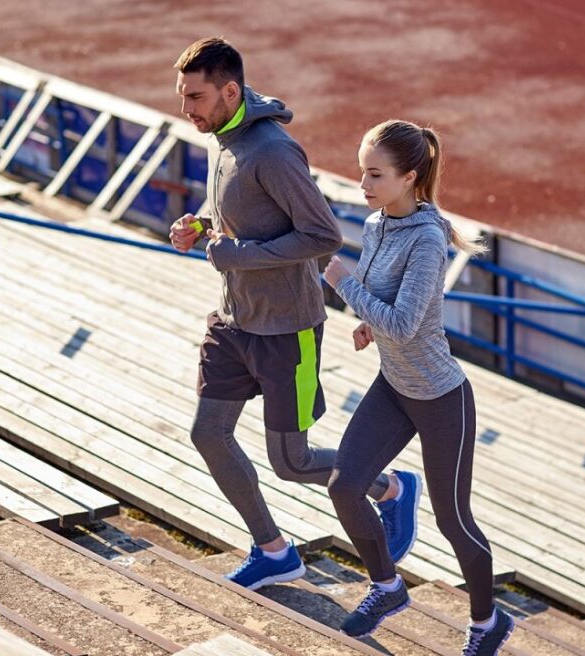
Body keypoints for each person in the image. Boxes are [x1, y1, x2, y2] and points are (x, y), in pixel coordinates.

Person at [168, 38, 422, 591]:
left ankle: (392, 488)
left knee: (292, 461)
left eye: (196, 96)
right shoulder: (224, 136)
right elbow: (244, 213)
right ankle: (274, 550)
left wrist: (237, 254)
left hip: (288, 329)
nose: (187, 108)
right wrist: (203, 226)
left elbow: (321, 235)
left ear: (230, 91)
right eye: (183, 96)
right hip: (234, 319)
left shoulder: (274, 152)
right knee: (209, 433)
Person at [322, 120, 514, 654]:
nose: (363, 184)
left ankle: (486, 623)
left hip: (439, 397)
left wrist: (341, 283)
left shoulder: (428, 239)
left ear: (409, 177)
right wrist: (366, 319)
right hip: (394, 385)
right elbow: (387, 302)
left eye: (375, 174)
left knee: (454, 522)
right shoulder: (380, 221)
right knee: (344, 484)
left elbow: (405, 323)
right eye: (362, 171)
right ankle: (386, 586)